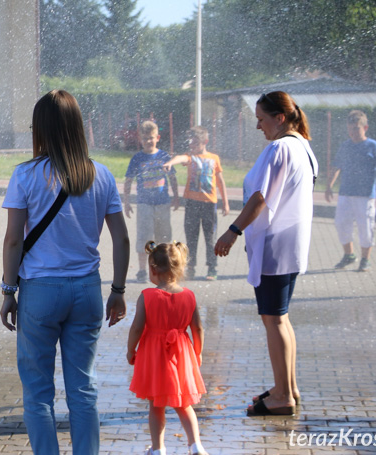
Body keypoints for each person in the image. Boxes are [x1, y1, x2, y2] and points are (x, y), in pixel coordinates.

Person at [0, 89, 130, 455]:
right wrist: (118, 290)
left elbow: (13, 241)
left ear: (39, 129)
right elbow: (121, 239)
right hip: (87, 291)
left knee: (38, 392)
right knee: (83, 389)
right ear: (77, 127)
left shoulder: (25, 175)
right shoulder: (100, 175)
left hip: (40, 292)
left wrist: (9, 292)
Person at [214, 91, 317, 416]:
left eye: (261, 119)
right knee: (280, 318)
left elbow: (260, 198)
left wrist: (233, 231)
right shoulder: (302, 146)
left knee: (273, 319)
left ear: (280, 118)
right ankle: (287, 386)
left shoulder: (279, 148)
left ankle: (283, 397)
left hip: (274, 245)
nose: (258, 126)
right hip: (291, 244)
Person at [127, 241, 207, 455]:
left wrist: (130, 350)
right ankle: (195, 445)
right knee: (183, 403)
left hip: (154, 356)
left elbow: (137, 327)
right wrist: (197, 352)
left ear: (152, 269)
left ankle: (158, 449)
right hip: (181, 354)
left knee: (156, 405)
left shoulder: (147, 296)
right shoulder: (189, 296)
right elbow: (198, 328)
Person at [325, 110, 376, 272]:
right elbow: (336, 167)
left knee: (365, 227)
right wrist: (329, 186)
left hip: (365, 195)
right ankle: (349, 255)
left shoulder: (373, 146)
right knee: (341, 224)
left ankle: (365, 259)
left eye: (356, 129)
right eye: (350, 129)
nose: (353, 133)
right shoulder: (345, 146)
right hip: (346, 193)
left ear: (365, 128)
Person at [163, 126, 229, 280]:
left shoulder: (214, 159)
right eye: (190, 143)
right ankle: (190, 267)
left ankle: (212, 268)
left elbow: (220, 181)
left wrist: (225, 202)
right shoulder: (190, 157)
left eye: (196, 143)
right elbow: (180, 158)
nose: (192, 146)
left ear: (205, 141)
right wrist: (170, 163)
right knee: (191, 237)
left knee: (210, 237)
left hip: (209, 204)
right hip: (192, 203)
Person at [123, 120, 179, 283]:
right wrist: (126, 202)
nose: (149, 141)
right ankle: (142, 270)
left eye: (152, 138)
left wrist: (176, 197)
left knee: (163, 236)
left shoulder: (164, 156)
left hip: (162, 203)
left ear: (158, 137)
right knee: (144, 237)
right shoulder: (137, 158)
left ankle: (165, 268)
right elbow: (128, 180)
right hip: (144, 204)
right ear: (140, 139)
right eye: (145, 138)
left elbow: (173, 178)